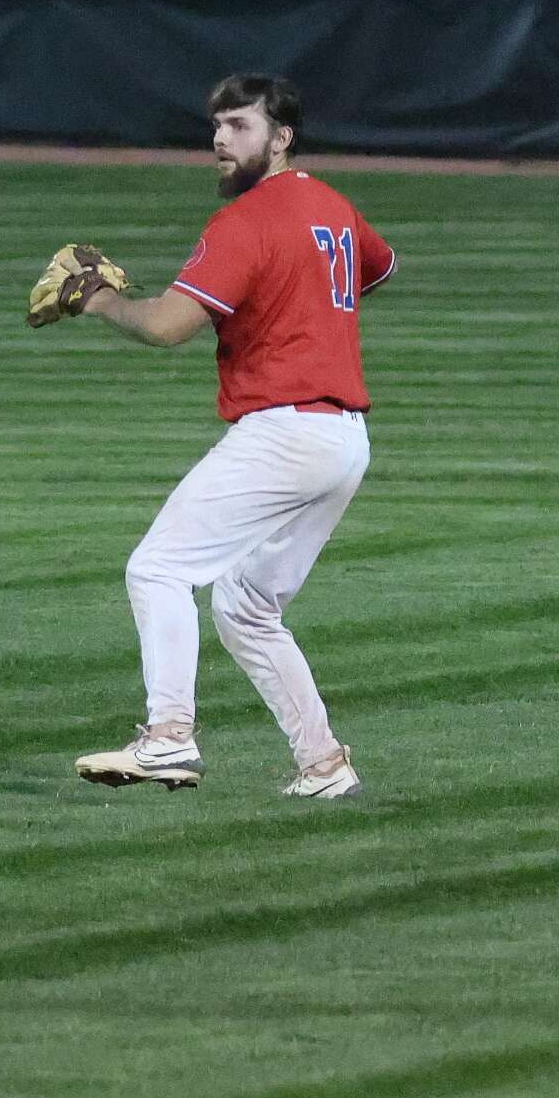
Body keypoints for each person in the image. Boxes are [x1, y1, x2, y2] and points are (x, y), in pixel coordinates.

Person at [61, 73, 396, 799]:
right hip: (344, 443)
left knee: (158, 569)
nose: (220, 139)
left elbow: (166, 325)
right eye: (217, 125)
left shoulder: (245, 222)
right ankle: (324, 765)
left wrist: (102, 301)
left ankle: (168, 737)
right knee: (247, 606)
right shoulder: (333, 206)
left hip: (284, 436)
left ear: (281, 138)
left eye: (240, 125)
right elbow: (376, 267)